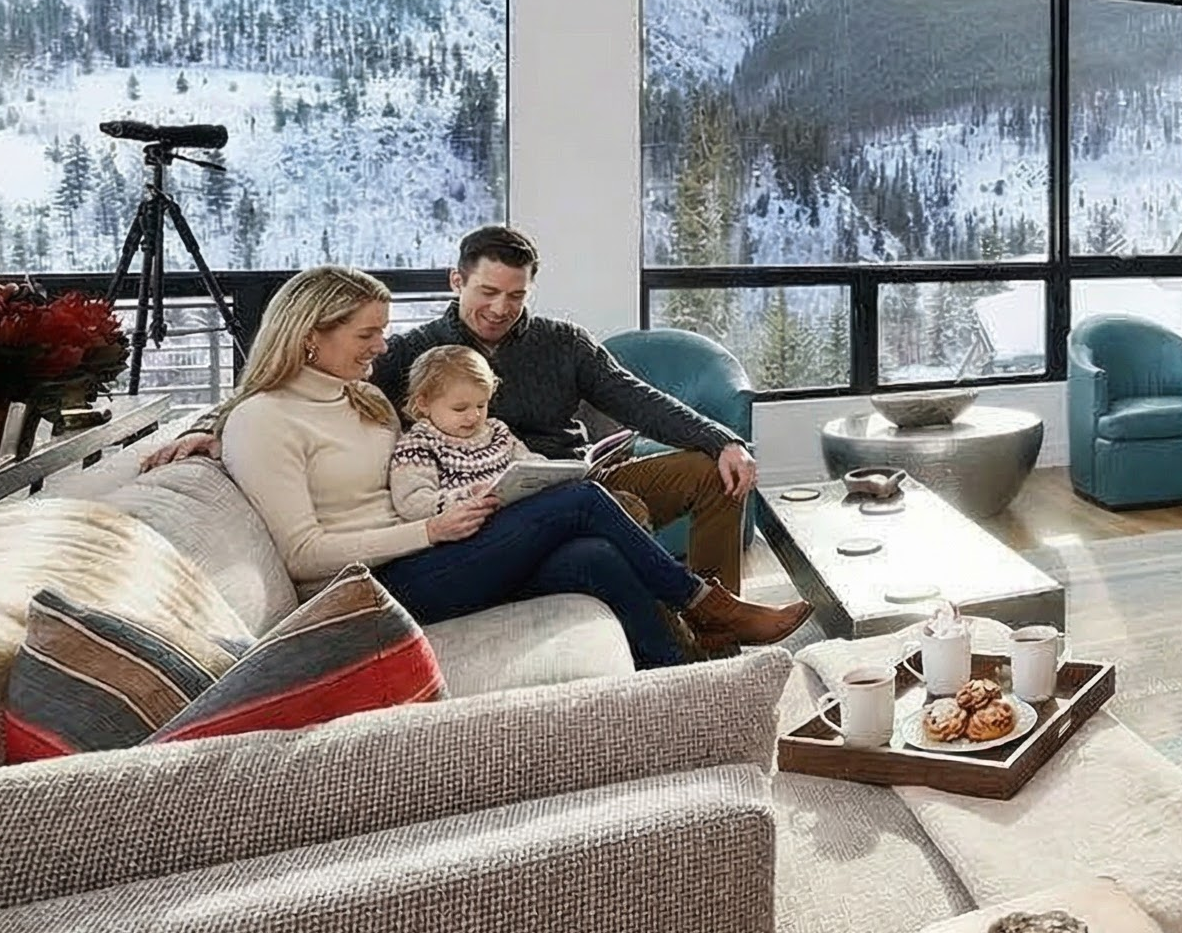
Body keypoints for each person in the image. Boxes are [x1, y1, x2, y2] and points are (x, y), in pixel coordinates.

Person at [216, 266, 809, 669]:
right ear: (310, 336)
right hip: (378, 584)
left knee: (596, 557)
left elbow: (635, 396)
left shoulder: (361, 394)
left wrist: (720, 438)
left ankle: (682, 684)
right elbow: (299, 553)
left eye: (382, 332)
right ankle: (709, 606)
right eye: (367, 334)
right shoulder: (264, 420)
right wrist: (429, 529)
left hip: (443, 548)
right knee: (582, 504)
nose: (380, 346)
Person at [151, 224, 761, 591]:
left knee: (713, 474)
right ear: (456, 282)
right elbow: (295, 381)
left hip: (578, 477)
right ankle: (681, 623)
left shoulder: (562, 342)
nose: (501, 307)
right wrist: (213, 424)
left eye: (516, 296)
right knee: (614, 510)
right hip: (482, 507)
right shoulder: (410, 354)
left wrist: (720, 438)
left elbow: (636, 398)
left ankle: (720, 621)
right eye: (488, 292)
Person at [387, 344, 538, 521]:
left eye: (481, 405)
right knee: (576, 499)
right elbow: (412, 504)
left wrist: (550, 472)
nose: (474, 416)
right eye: (460, 409)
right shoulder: (418, 445)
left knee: (577, 546)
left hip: (516, 515)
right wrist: (467, 496)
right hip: (467, 531)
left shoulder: (498, 432)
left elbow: (530, 465)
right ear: (424, 404)